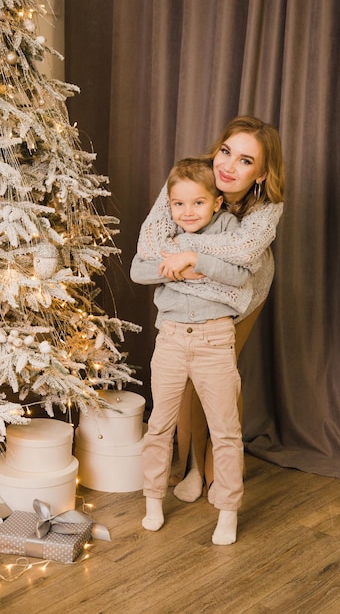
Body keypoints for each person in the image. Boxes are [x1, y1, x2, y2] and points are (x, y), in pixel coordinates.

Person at [133, 115, 285, 506]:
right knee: (181, 382)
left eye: (245, 161)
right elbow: (149, 246)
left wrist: (189, 253)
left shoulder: (268, 205)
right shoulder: (189, 178)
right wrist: (191, 264)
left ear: (262, 173)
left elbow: (245, 255)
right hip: (186, 293)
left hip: (242, 296)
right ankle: (192, 467)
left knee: (218, 381)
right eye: (225, 151)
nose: (228, 166)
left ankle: (220, 468)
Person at [131, 157, 253, 545]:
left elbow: (239, 275)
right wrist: (184, 270)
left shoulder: (230, 231)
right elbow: (138, 270)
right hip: (169, 338)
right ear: (169, 205)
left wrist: (197, 259)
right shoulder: (166, 233)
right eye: (178, 204)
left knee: (226, 431)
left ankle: (228, 510)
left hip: (214, 340)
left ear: (217, 202)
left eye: (198, 203)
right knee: (158, 426)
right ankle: (153, 500)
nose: (187, 212)